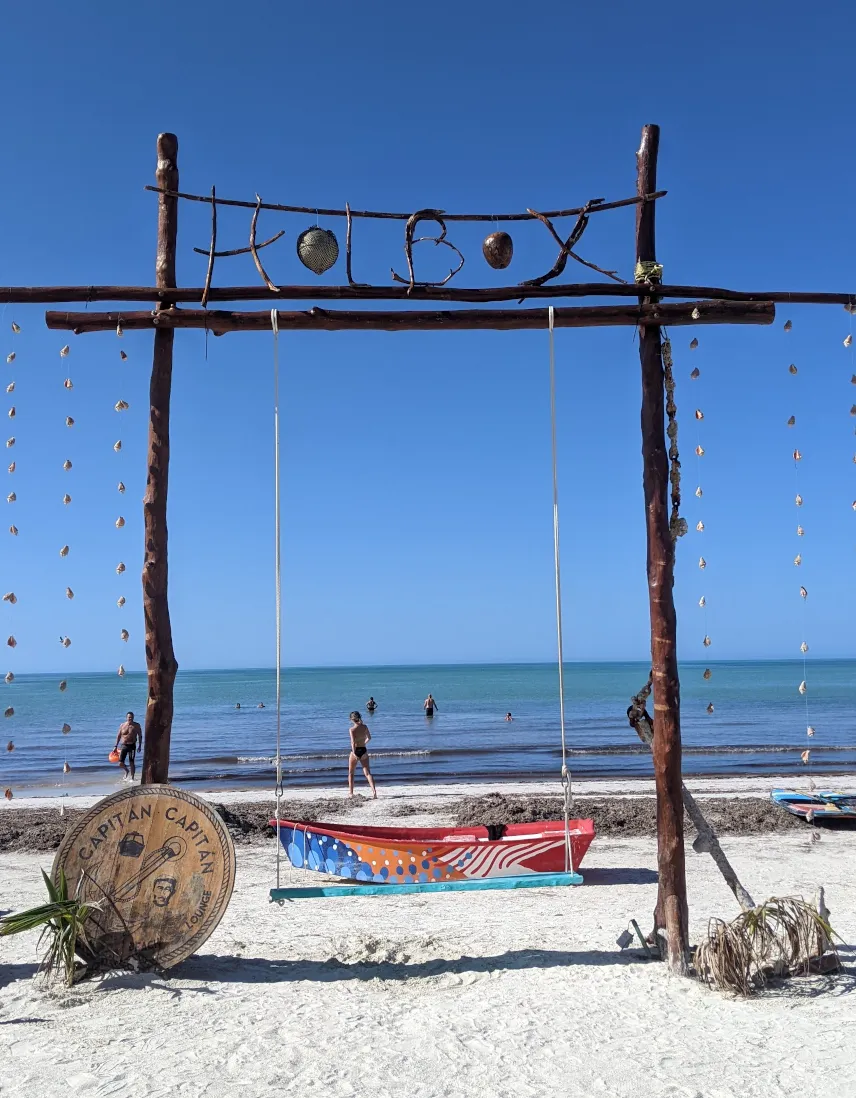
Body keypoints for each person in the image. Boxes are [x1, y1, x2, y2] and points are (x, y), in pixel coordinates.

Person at [348, 710, 377, 799]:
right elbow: (369, 738)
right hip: (363, 749)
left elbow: (353, 742)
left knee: (351, 773)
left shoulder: (352, 729)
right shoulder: (364, 727)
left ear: (351, 719)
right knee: (368, 773)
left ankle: (351, 793)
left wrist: (354, 753)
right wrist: (364, 743)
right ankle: (374, 791)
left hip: (355, 750)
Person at [114, 711, 142, 782]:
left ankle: (132, 777)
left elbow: (140, 736)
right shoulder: (122, 725)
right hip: (124, 745)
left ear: (133, 717)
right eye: (129, 717)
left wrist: (140, 746)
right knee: (120, 763)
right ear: (126, 718)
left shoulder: (136, 725)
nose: (130, 718)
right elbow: (119, 736)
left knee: (131, 762)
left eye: (131, 717)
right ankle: (126, 770)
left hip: (132, 746)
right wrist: (115, 746)